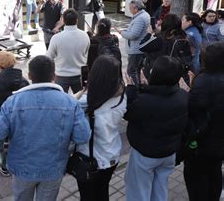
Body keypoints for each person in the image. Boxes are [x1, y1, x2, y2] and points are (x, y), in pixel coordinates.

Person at [0, 55, 91, 201]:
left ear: (30, 76)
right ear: (54, 76)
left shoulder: (13, 102)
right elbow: (83, 136)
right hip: (54, 167)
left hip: (21, 167)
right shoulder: (70, 102)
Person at [124, 56, 189, 201]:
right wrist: (145, 88)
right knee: (160, 186)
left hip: (145, 154)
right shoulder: (183, 96)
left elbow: (128, 113)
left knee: (139, 190)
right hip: (169, 153)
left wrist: (131, 91)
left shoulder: (144, 101)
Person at [75, 55, 126, 201]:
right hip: (112, 154)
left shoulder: (88, 100)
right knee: (103, 191)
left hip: (91, 159)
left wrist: (83, 91)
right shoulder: (122, 95)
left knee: (87, 196)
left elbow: (67, 105)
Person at [184, 42, 224, 201]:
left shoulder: (203, 82)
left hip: (201, 143)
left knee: (196, 178)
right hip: (220, 142)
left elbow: (193, 109)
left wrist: (187, 92)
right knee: (215, 172)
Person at [0, 51, 29, 176]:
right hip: (19, 117)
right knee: (17, 139)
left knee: (3, 142)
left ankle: (5, 166)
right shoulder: (24, 81)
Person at [46, 8, 90, 93]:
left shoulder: (56, 38)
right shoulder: (85, 35)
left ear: (63, 21)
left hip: (61, 74)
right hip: (79, 74)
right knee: (80, 100)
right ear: (77, 21)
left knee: (61, 102)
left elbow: (49, 57)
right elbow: (86, 53)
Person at [140, 14, 192, 80]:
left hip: (158, 73)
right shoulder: (183, 38)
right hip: (175, 75)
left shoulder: (161, 39)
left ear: (165, 25)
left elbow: (141, 46)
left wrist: (149, 33)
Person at [115, 0, 150, 86]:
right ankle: (139, 87)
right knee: (137, 69)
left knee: (131, 71)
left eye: (130, 8)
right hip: (140, 47)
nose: (129, 10)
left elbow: (134, 35)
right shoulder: (143, 15)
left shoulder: (140, 18)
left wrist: (121, 33)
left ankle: (135, 90)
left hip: (136, 49)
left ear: (136, 8)